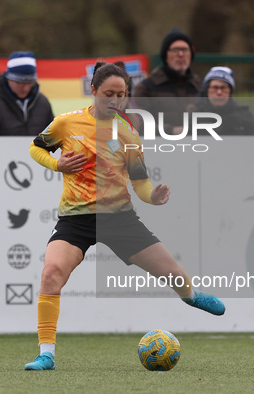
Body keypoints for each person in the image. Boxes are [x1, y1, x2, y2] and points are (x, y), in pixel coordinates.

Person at [24, 61, 225, 371]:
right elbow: (36, 148)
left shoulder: (129, 133)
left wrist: (153, 196)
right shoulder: (66, 123)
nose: (115, 101)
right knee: (51, 273)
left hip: (120, 218)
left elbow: (140, 183)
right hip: (76, 219)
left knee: (174, 273)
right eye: (108, 94)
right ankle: (46, 354)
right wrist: (56, 165)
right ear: (93, 91)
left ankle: (190, 295)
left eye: (121, 95)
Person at [132, 28, 202, 135]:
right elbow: (137, 123)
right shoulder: (146, 88)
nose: (180, 54)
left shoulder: (199, 88)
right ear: (165, 55)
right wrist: (170, 131)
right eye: (175, 50)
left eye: (185, 49)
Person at [0, 51, 54, 136]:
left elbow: (54, 138)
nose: (25, 88)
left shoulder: (42, 103)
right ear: (8, 78)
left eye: (29, 83)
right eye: (19, 83)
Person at [198, 66, 254, 135]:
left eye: (223, 88)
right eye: (215, 88)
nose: (219, 92)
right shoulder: (194, 117)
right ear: (207, 90)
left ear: (230, 91)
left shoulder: (244, 119)